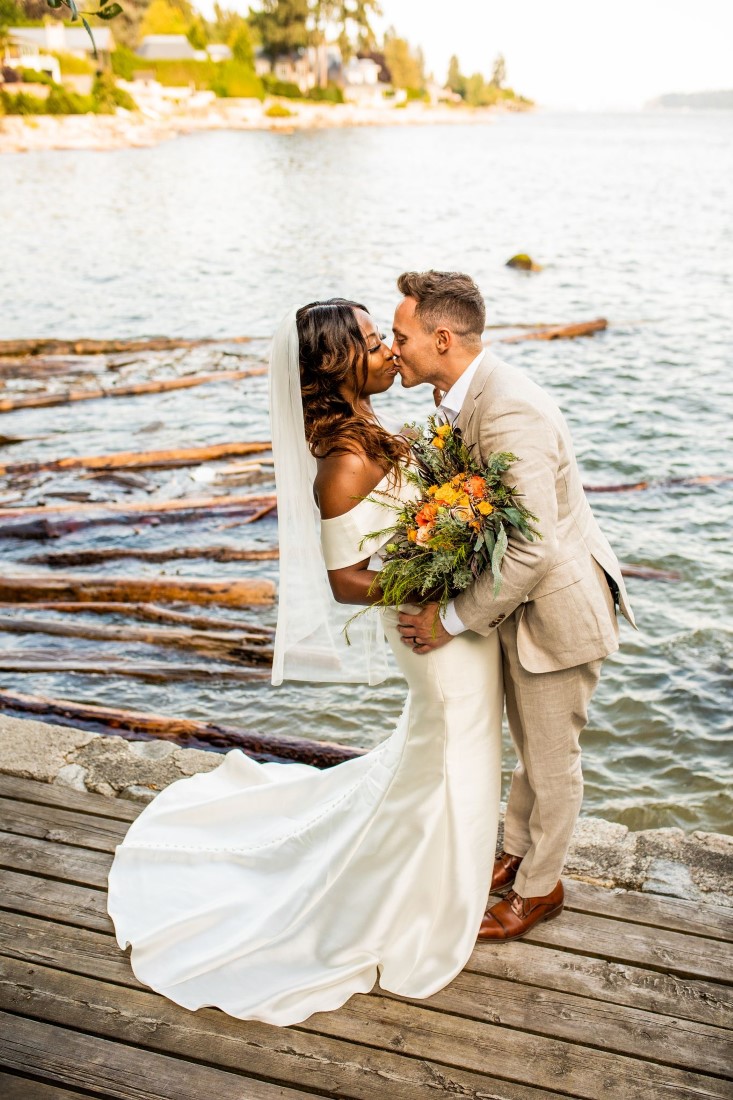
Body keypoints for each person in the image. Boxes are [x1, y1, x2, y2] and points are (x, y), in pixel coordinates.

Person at [106, 297, 504, 1027]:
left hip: (444, 623)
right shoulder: (345, 461)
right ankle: (414, 902)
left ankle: (451, 874)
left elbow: (412, 524)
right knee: (446, 750)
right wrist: (432, 584)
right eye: (372, 338)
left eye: (387, 336)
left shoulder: (372, 430)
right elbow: (343, 580)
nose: (387, 348)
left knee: (456, 753)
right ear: (333, 362)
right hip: (424, 629)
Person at [391, 270, 635, 942]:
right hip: (519, 607)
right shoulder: (463, 396)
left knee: (551, 762)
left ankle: (540, 888)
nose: (391, 349)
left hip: (556, 609)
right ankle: (517, 850)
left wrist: (446, 621)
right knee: (532, 750)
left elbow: (529, 550)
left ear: (441, 338)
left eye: (400, 335)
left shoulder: (507, 409)